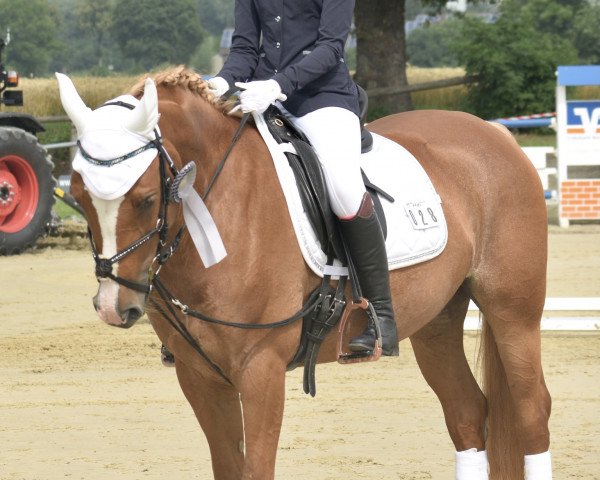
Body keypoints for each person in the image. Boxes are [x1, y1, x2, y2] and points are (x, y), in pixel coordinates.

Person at [208, 0, 398, 356]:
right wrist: (222, 81)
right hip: (262, 97)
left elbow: (330, 47)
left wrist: (277, 85)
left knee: (343, 189)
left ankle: (380, 316)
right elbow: (246, 48)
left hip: (322, 97)